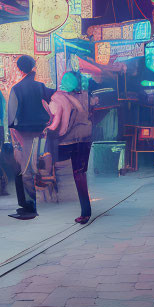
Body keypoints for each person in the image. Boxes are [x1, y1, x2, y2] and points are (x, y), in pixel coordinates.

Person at [6, 55, 52, 219]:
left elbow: (11, 118)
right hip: (40, 133)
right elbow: (54, 100)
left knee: (26, 171)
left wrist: (14, 140)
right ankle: (26, 205)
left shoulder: (17, 89)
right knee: (27, 170)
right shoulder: (40, 86)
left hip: (25, 134)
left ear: (19, 69)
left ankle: (30, 208)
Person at [47, 72, 93, 224]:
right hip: (85, 139)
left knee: (77, 175)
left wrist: (50, 131)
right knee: (80, 173)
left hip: (70, 142)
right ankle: (85, 209)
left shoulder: (58, 98)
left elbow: (62, 127)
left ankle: (85, 212)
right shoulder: (85, 96)